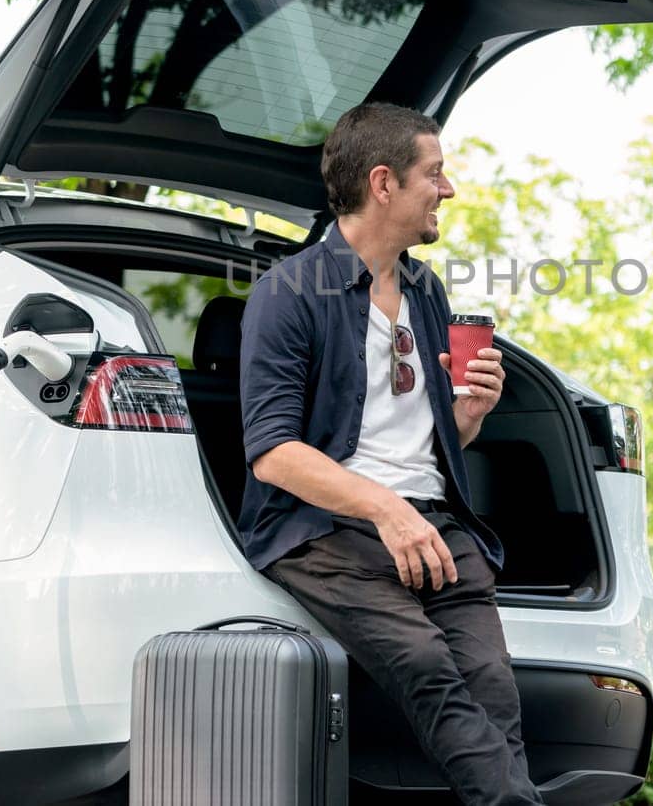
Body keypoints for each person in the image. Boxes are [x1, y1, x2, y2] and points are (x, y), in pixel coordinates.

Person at [238, 102, 542, 806]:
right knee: (428, 666)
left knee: (495, 692)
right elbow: (274, 453)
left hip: (435, 525)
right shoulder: (288, 294)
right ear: (384, 182)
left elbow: (426, 442)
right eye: (434, 172)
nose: (449, 188)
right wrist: (386, 510)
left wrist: (466, 416)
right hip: (328, 533)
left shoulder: (426, 290)